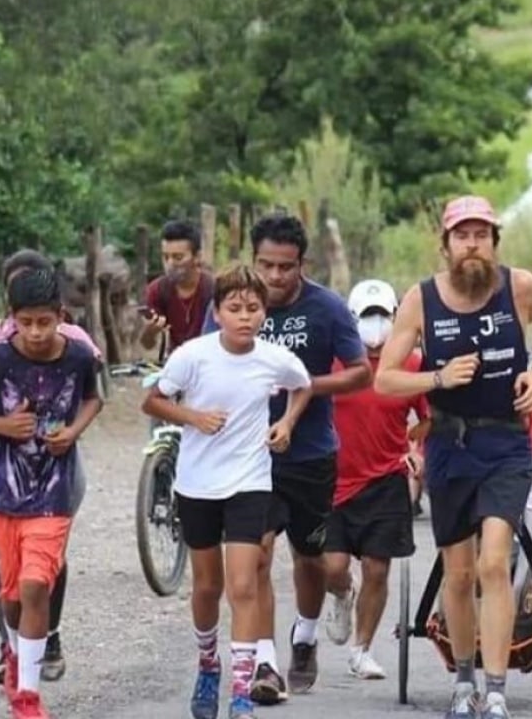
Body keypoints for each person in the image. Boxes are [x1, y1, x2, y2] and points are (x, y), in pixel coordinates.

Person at [375, 194, 532, 719]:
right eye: (463, 235)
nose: (473, 244)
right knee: (458, 574)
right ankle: (463, 681)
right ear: (447, 245)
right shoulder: (421, 300)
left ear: (494, 242)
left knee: (494, 563)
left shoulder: (519, 287)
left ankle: (496, 690)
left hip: (505, 442)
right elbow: (385, 378)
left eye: (482, 234)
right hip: (450, 446)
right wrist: (437, 377)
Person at [205, 214, 372, 703]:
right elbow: (202, 357)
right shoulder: (232, 303)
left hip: (310, 454)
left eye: (285, 267)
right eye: (266, 265)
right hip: (246, 454)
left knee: (313, 559)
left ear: (303, 264)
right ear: (251, 259)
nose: (275, 277)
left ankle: (305, 634)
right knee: (255, 554)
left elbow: (360, 373)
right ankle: (265, 663)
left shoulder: (328, 309)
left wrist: (304, 384)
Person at [142, 263, 313, 719]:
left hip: (249, 483)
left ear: (264, 314)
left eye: (253, 308)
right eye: (234, 308)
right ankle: (208, 665)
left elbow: (303, 386)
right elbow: (153, 400)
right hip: (197, 485)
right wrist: (193, 417)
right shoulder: (192, 356)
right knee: (206, 587)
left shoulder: (274, 359)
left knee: (243, 584)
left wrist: (286, 423)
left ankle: (241, 693)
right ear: (217, 312)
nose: (244, 316)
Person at [0, 268, 104, 719]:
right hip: (2, 490)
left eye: (44, 321)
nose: (35, 332)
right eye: (26, 322)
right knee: (13, 595)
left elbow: (94, 399)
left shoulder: (78, 357)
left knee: (38, 585)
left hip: (53, 491)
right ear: (11, 318)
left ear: (61, 316)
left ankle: (28, 697)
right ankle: (16, 655)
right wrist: (1, 425)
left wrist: (73, 431)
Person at [323, 278, 429, 679]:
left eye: (384, 316)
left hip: (386, 480)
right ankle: (341, 593)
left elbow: (428, 417)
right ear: (350, 321)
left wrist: (415, 451)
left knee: (378, 569)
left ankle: (362, 649)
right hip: (333, 482)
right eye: (367, 317)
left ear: (397, 317)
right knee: (332, 566)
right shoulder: (333, 363)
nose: (376, 325)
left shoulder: (412, 364)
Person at [139, 219, 214, 360]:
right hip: (175, 362)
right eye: (165, 257)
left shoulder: (214, 289)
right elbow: (147, 345)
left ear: (197, 257)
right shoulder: (157, 290)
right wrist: (150, 331)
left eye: (178, 257)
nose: (170, 264)